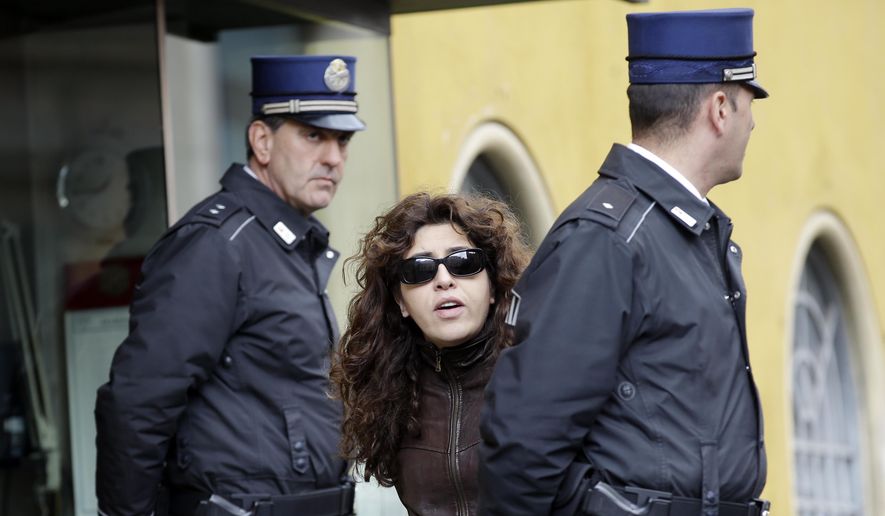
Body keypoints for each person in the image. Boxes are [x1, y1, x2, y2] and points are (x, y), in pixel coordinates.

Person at [479, 9, 771, 516]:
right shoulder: (610, 238)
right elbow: (524, 447)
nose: (754, 121)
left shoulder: (671, 230)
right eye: (749, 102)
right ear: (720, 108)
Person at [95, 55, 366, 516]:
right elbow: (138, 401)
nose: (334, 158)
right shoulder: (217, 244)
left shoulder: (282, 240)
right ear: (261, 140)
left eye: (342, 140)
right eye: (313, 135)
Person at [330, 192, 530, 515]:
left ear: (493, 286)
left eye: (463, 262)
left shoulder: (537, 372)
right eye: (420, 270)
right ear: (400, 301)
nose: (443, 280)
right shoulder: (386, 391)